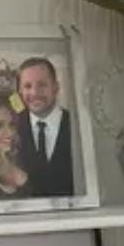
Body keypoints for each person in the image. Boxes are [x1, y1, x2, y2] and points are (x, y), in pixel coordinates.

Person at [16, 57, 75, 199]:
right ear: (20, 91)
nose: (35, 92)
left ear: (56, 87)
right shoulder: (12, 127)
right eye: (27, 86)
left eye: (42, 85)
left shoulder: (76, 125)